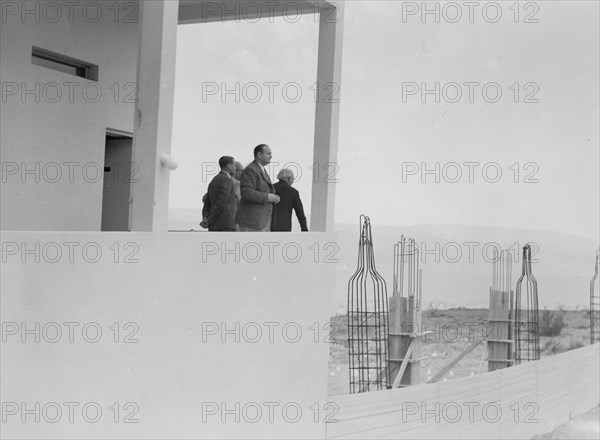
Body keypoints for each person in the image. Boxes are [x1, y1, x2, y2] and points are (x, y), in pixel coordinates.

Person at [235, 144, 280, 232]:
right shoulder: (251, 169)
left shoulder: (260, 169)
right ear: (259, 155)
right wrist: (268, 197)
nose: (271, 156)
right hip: (251, 222)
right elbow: (247, 192)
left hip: (259, 221)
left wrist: (273, 198)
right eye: (268, 154)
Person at [204, 156, 238, 232]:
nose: (236, 168)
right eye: (234, 165)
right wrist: (209, 220)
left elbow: (207, 202)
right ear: (228, 166)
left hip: (214, 225)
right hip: (226, 224)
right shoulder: (226, 180)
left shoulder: (214, 180)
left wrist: (206, 218)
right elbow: (221, 202)